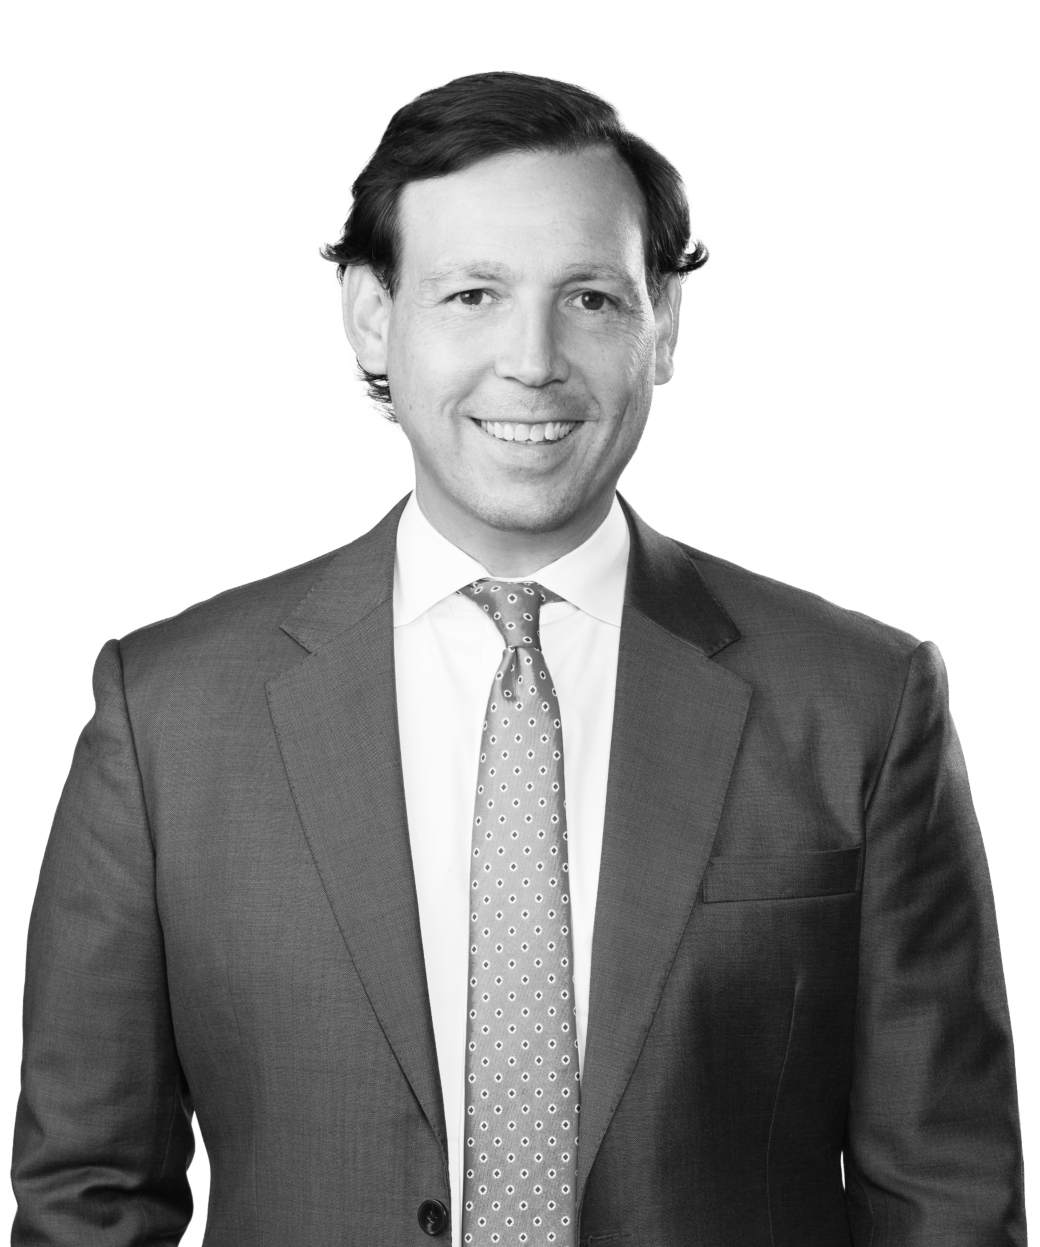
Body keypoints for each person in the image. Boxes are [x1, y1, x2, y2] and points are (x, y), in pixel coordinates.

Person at [12, 71, 1025, 1247]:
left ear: (662, 324)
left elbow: (946, 1198)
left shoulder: (857, 704)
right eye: (472, 295)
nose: (532, 358)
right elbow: (86, 1197)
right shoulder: (168, 717)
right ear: (372, 315)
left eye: (589, 297)